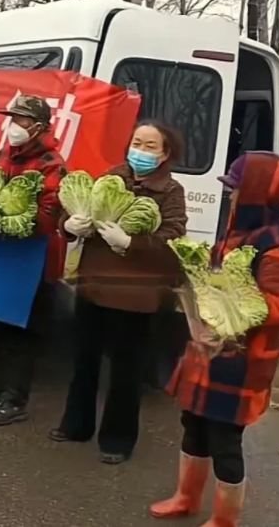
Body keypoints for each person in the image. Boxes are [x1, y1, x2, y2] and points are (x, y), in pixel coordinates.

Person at [150, 152, 279, 527]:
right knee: (194, 425)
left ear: (256, 193)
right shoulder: (241, 231)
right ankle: (186, 497)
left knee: (225, 441)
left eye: (235, 189)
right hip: (210, 351)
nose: (230, 196)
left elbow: (277, 306)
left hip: (241, 360)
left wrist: (224, 304)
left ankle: (224, 519)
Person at [48, 120, 188, 464]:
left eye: (150, 146)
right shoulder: (112, 177)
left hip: (137, 296)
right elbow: (75, 210)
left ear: (165, 153)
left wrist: (132, 243)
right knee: (84, 361)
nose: (140, 150)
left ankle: (117, 439)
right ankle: (75, 425)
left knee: (127, 370)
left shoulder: (170, 192)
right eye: (137, 142)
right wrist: (67, 225)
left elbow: (174, 238)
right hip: (95, 285)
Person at [0, 95, 66, 426]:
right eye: (11, 118)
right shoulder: (3, 155)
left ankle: (14, 398)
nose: (12, 126)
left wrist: (8, 223)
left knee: (21, 332)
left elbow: (50, 213)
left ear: (39, 127)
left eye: (20, 120)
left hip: (28, 260)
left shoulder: (52, 164)